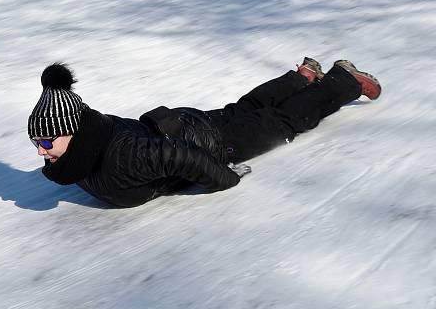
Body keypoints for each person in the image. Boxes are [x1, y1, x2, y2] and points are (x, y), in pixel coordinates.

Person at [27, 58, 381, 208]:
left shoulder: (122, 156)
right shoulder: (86, 139)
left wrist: (224, 177)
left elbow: (179, 156)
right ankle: (299, 78)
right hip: (180, 123)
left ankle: (343, 82)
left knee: (283, 123)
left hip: (210, 144)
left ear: (73, 131)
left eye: (45, 142)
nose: (41, 152)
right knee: (242, 111)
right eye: (36, 144)